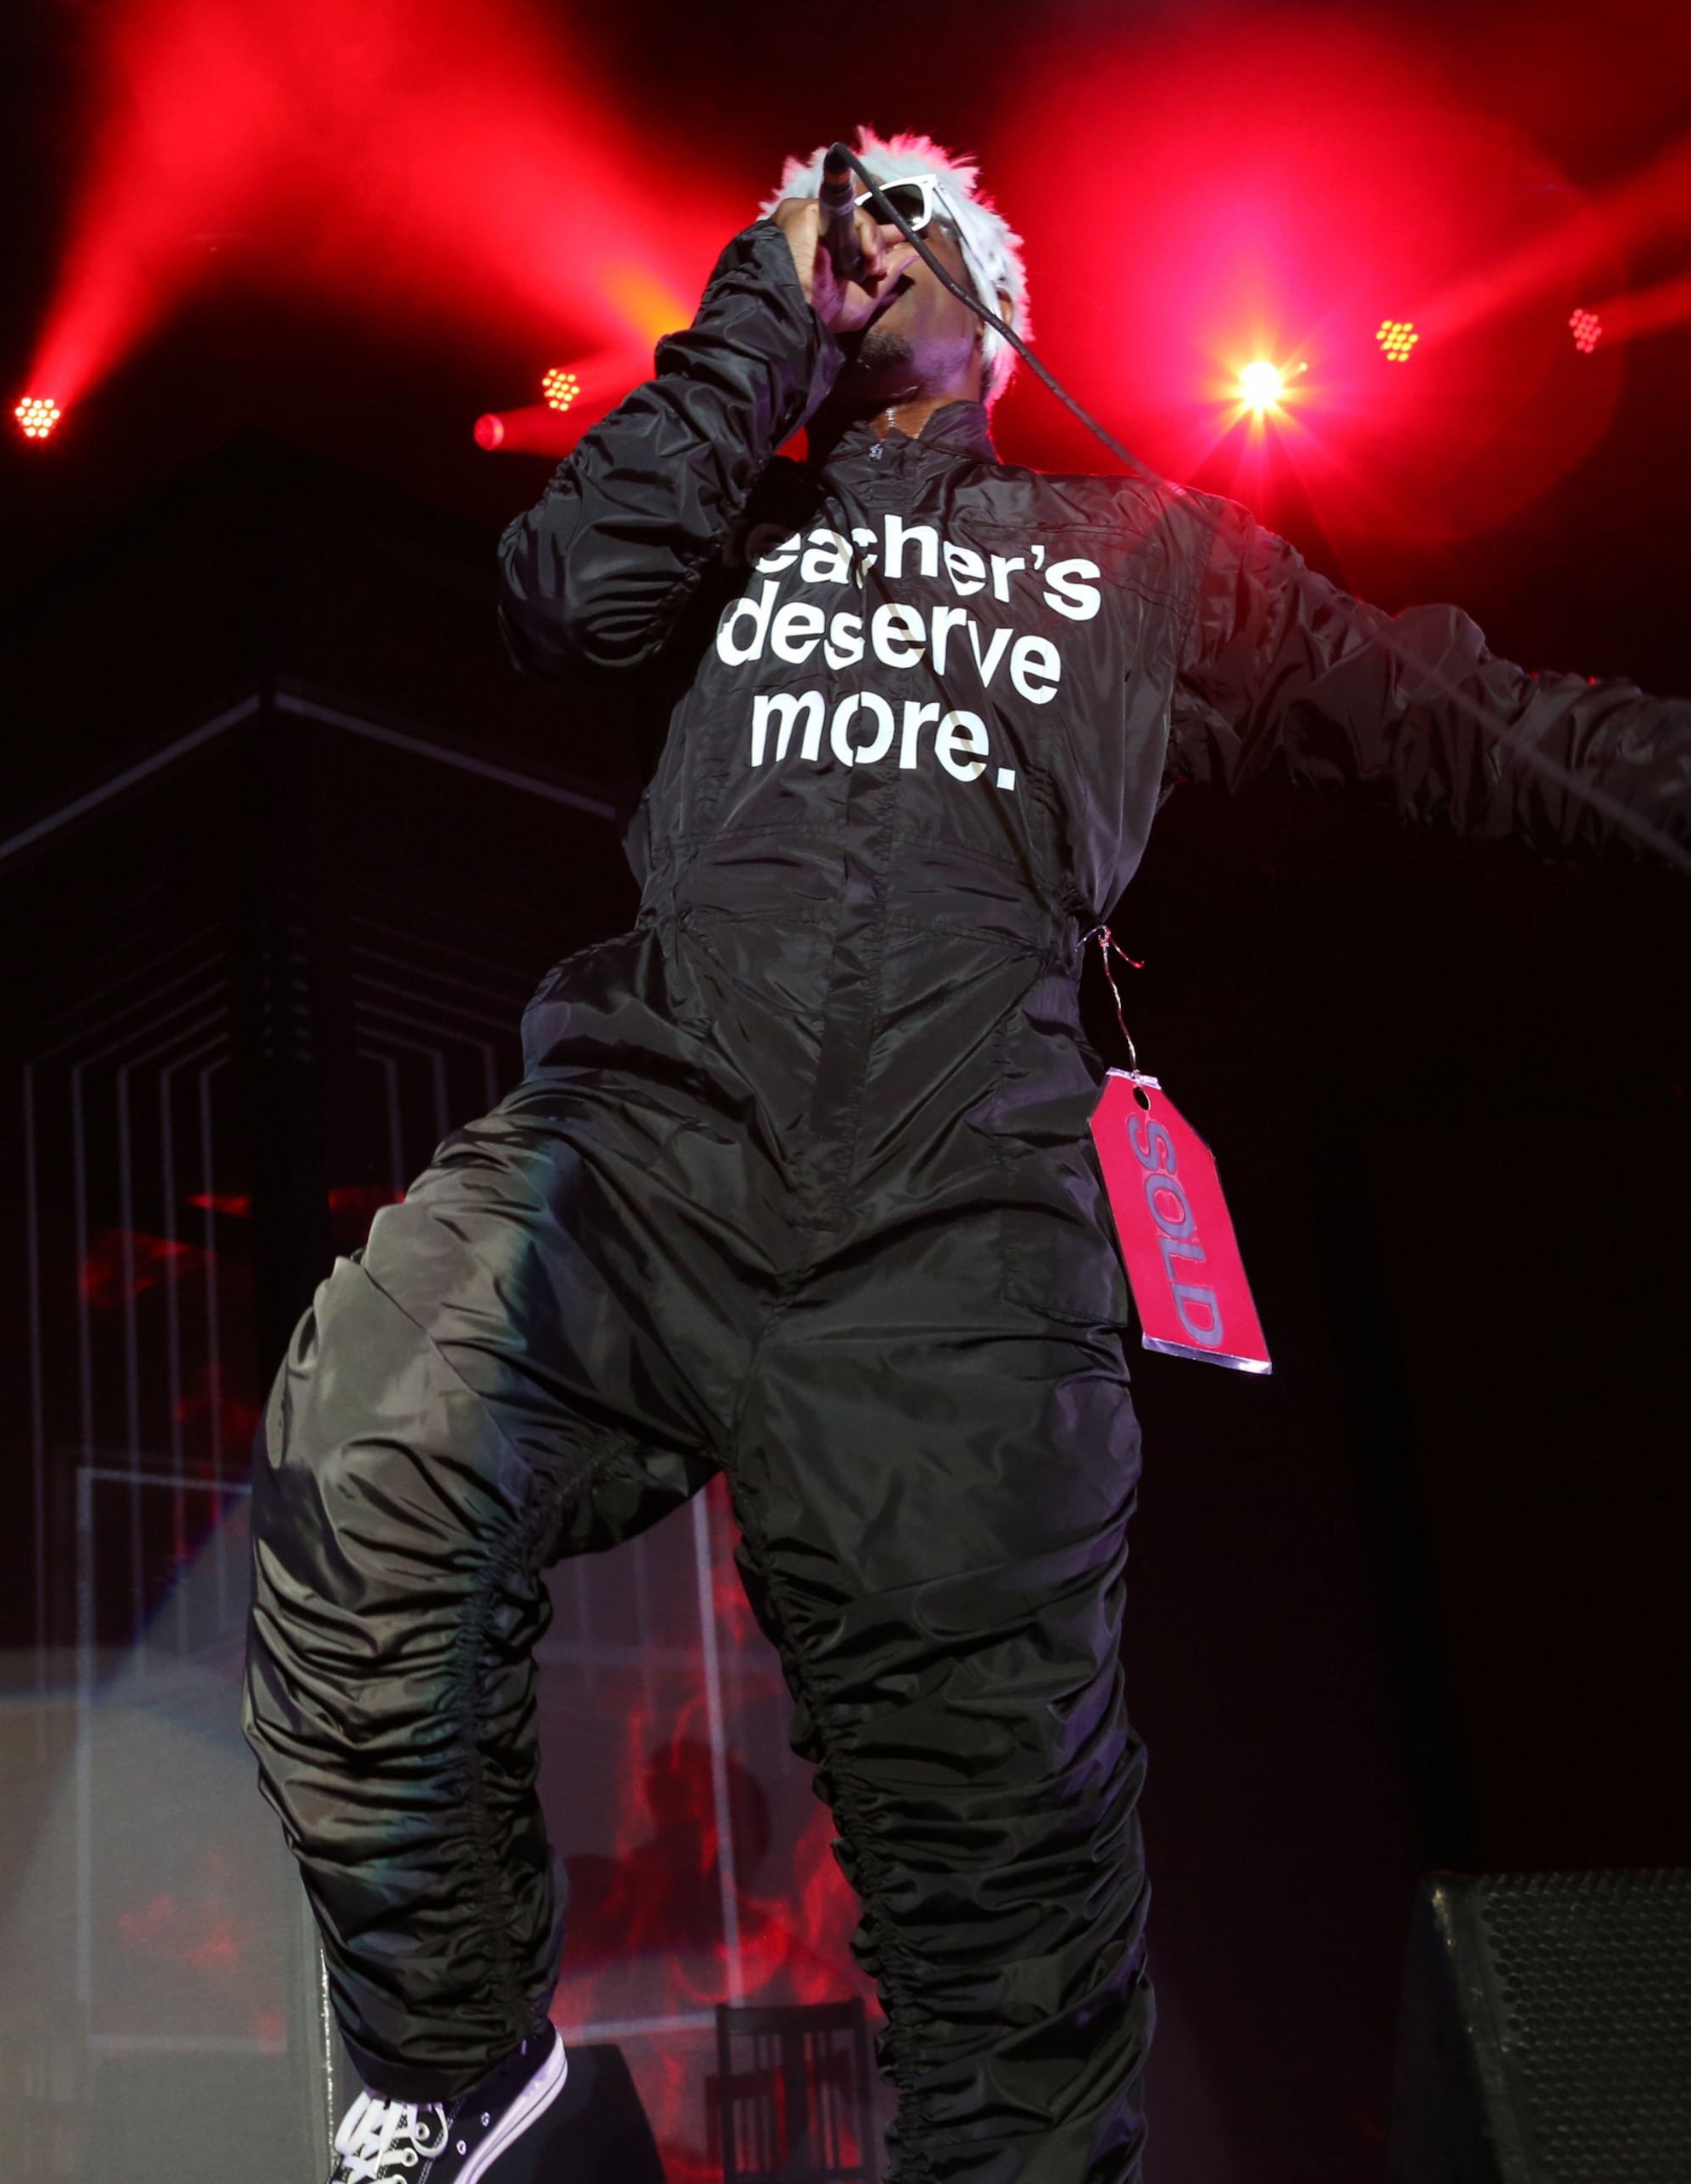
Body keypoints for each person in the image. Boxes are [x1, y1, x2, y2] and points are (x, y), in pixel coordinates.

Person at [243, 131, 1686, 2184]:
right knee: (367, 1467)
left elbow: (1472, 720)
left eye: (884, 216)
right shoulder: (730, 519)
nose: (842, 241)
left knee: (1009, 1946)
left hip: (958, 1227)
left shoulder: (1149, 554)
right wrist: (755, 316)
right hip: (652, 1140)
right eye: (811, 224)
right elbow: (566, 596)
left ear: (989, 294)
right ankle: (466, 2069)